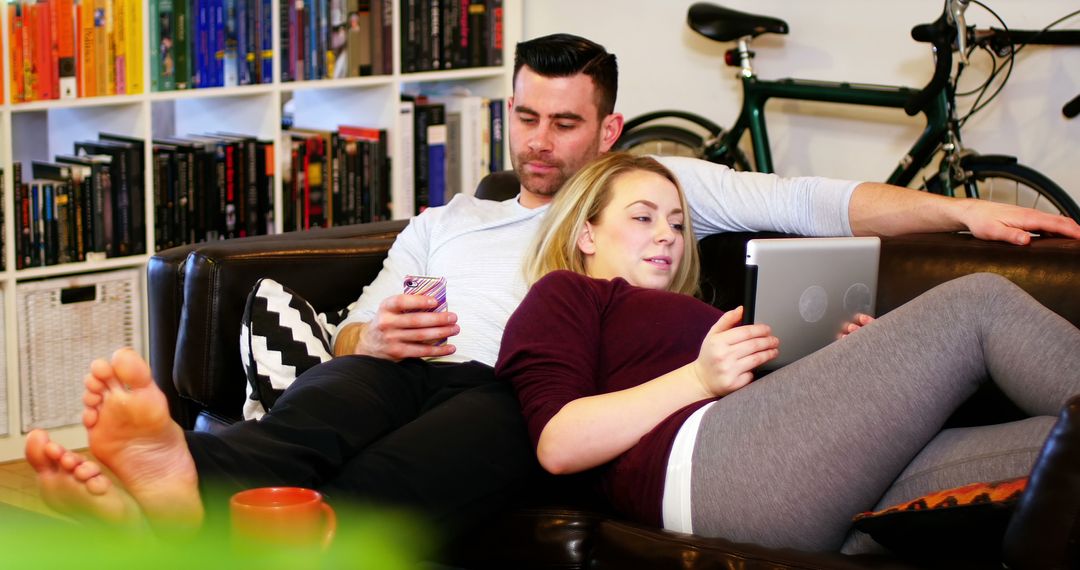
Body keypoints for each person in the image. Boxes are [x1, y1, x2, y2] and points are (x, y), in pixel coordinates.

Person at [25, 33, 1080, 538]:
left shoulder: (643, 196)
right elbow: (351, 332)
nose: (538, 143)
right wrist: (366, 336)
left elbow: (809, 197)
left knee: (458, 433)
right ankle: (190, 476)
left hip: (512, 385)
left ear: (608, 131)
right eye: (524, 118)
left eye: (564, 124)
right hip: (429, 363)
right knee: (338, 397)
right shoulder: (451, 222)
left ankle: (276, 528)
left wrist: (965, 211)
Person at [495, 151, 1080, 553]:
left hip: (791, 475)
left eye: (677, 223)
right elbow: (559, 443)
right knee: (976, 304)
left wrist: (854, 365)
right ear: (587, 233)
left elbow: (772, 401)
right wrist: (699, 380)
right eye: (643, 218)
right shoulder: (568, 292)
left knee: (1049, 453)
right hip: (709, 472)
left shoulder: (698, 312)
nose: (668, 234)